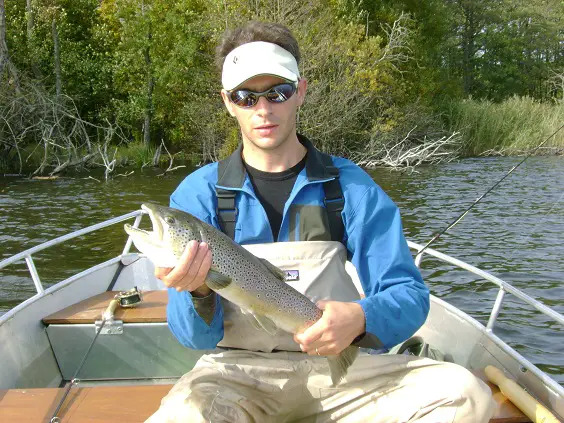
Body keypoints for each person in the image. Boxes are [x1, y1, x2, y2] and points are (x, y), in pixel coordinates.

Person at [147, 21, 495, 423]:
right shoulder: (197, 195)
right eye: (246, 96)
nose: (263, 109)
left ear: (301, 93)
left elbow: (408, 295)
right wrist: (199, 294)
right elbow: (195, 339)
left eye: (277, 92)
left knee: (466, 396)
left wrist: (361, 318)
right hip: (237, 375)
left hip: (344, 374)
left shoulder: (351, 188)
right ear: (228, 102)